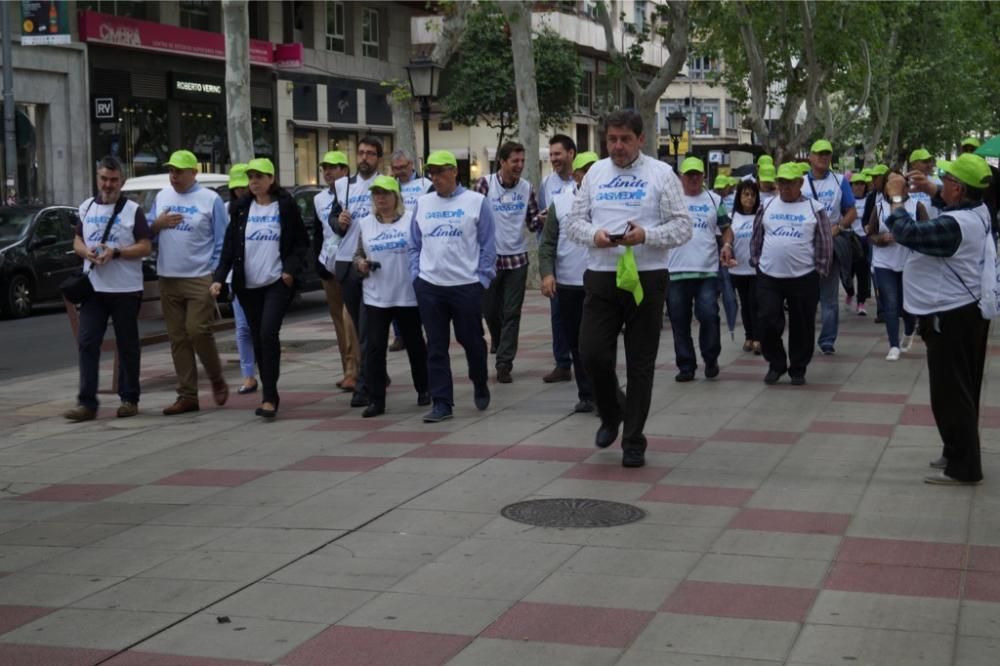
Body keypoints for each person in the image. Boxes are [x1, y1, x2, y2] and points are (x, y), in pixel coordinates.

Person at [566, 109, 692, 468]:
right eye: (612, 140)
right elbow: (574, 222)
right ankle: (612, 411)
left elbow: (683, 227)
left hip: (647, 277)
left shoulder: (661, 174)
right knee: (591, 353)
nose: (617, 147)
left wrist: (646, 235)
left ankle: (633, 439)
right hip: (602, 274)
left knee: (641, 364)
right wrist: (596, 236)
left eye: (625, 139)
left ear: (640, 140)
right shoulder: (595, 175)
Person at [885, 154, 993, 485]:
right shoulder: (980, 211)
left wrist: (897, 197)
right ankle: (956, 449)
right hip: (965, 312)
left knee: (951, 392)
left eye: (946, 182)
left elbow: (907, 232)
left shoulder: (955, 226)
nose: (940, 185)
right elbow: (948, 210)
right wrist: (933, 189)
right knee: (961, 388)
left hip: (951, 315)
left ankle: (964, 468)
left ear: (958, 189)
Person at [211, 158, 309, 418]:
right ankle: (268, 390)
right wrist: (219, 277)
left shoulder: (285, 206)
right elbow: (230, 247)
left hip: (276, 282)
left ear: (271, 179)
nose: (253, 182)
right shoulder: (241, 208)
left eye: (259, 176)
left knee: (268, 334)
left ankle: (270, 396)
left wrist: (289, 271)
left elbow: (301, 244)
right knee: (257, 337)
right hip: (247, 285)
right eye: (250, 177)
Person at [63, 155, 153, 422]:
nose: (108, 184)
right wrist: (87, 253)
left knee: (127, 345)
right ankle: (87, 403)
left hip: (125, 289)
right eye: (104, 178)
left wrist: (116, 252)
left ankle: (129, 398)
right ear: (97, 179)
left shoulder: (132, 211)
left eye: (113, 180)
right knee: (88, 342)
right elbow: (78, 239)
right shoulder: (87, 207)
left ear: (122, 181)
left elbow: (145, 246)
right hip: (94, 288)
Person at [409, 150, 495, 422]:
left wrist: (482, 279)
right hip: (430, 286)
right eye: (431, 172)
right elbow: (414, 244)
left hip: (466, 285)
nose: (435, 177)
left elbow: (488, 244)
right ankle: (442, 402)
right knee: (435, 345)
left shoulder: (476, 202)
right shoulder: (422, 204)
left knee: (471, 340)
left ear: (454, 172)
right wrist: (416, 276)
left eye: (440, 171)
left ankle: (479, 381)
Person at [150, 150, 229, 415]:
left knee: (197, 330)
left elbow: (222, 240)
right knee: (178, 338)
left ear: (194, 173)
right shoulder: (161, 196)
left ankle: (216, 377)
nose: (174, 176)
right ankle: (187, 395)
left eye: (180, 171)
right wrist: (157, 224)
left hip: (199, 277)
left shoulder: (210, 200)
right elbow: (147, 231)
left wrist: (217, 276)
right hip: (168, 276)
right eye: (171, 170)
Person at [750, 162, 833, 386]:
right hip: (769, 275)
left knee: (803, 325)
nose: (785, 187)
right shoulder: (767, 205)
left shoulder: (814, 208)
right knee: (767, 320)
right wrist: (756, 262)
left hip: (804, 276)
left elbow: (825, 241)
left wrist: (820, 270)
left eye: (790, 183)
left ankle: (798, 367)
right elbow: (757, 236)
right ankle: (776, 363)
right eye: (782, 182)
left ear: (800, 183)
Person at [353, 175, 430, 417]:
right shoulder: (365, 224)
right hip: (376, 296)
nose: (380, 198)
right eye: (376, 194)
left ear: (396, 196)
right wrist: (361, 264)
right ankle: (377, 400)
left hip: (406, 294)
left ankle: (424, 388)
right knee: (375, 348)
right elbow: (357, 255)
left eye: (385, 193)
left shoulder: (410, 220)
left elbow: (423, 250)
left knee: (415, 344)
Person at [476, 141, 542, 383]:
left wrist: (544, 218)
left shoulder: (526, 188)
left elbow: (532, 222)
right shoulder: (485, 184)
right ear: (502, 162)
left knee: (512, 312)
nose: (520, 165)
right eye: (515, 161)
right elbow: (474, 217)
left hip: (517, 259)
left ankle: (504, 362)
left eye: (522, 161)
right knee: (490, 310)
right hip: (490, 259)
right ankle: (498, 337)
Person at [538, 150, 598, 413]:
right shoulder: (560, 202)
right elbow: (547, 242)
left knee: (598, 343)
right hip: (568, 284)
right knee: (575, 341)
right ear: (576, 175)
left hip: (600, 282)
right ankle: (587, 394)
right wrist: (547, 274)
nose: (593, 177)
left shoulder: (607, 202)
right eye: (588, 172)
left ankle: (602, 391)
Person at [667, 156, 732, 382]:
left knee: (709, 315)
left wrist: (726, 244)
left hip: (707, 270)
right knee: (679, 320)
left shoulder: (714, 200)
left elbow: (726, 228)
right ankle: (686, 365)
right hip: (675, 271)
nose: (693, 178)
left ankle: (711, 357)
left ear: (704, 176)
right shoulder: (669, 202)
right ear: (680, 177)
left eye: (697, 174)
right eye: (689, 174)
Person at [333, 137, 383, 407]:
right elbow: (332, 221)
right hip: (347, 263)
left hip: (374, 263)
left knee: (369, 328)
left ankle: (365, 384)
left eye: (371, 154)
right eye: (361, 153)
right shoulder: (343, 185)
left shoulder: (386, 184)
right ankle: (373, 377)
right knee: (358, 326)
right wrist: (338, 222)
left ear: (379, 159)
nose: (364, 157)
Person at [313, 150, 361, 392]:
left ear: (345, 170)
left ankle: (357, 370)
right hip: (328, 265)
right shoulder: (319, 199)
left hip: (351, 263)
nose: (328, 172)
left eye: (333, 167)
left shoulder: (353, 191)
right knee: (339, 323)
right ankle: (348, 370)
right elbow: (318, 232)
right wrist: (318, 265)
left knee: (350, 318)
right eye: (325, 168)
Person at [803, 139, 856, 355]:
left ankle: (827, 340)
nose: (823, 157)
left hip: (829, 246)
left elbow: (852, 211)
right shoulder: (800, 182)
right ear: (810, 157)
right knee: (805, 297)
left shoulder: (840, 180)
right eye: (819, 153)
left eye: (827, 154)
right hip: (804, 247)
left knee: (829, 297)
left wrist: (840, 226)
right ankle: (805, 337)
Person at [868, 172, 927, 361]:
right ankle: (893, 345)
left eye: (897, 181)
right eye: (889, 182)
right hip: (884, 263)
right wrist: (882, 239)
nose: (893, 185)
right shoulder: (879, 207)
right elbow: (871, 234)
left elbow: (925, 233)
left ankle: (909, 331)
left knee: (907, 307)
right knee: (891, 304)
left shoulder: (916, 206)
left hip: (910, 264)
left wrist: (908, 236)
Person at [537, 134, 577, 384]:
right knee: (558, 315)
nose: (554, 160)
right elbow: (543, 225)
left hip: (583, 260)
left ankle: (588, 361)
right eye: (551, 155)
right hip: (558, 261)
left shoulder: (587, 180)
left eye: (558, 154)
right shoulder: (547, 184)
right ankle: (562, 363)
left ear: (571, 153)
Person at [389, 149, 433, 352]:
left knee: (419, 289)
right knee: (396, 289)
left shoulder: (426, 185)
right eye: (395, 168)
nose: (399, 172)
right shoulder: (389, 186)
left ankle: (420, 329)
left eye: (403, 167)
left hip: (421, 245)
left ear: (411, 165)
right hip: (395, 245)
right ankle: (399, 334)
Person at [225, 163, 259, 395]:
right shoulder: (227, 209)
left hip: (260, 276)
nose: (240, 192)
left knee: (262, 328)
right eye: (236, 188)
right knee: (243, 328)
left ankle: (266, 369)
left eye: (243, 186)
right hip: (234, 277)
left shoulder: (262, 207)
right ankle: (249, 375)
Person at [728, 179, 761, 354]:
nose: (749, 198)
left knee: (754, 302)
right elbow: (727, 239)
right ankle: (749, 336)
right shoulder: (733, 216)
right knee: (745, 303)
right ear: (739, 197)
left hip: (756, 268)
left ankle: (757, 338)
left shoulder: (760, 215)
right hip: (738, 268)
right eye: (745, 194)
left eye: (753, 195)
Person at [846, 172, 872, 317]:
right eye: (856, 184)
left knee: (863, 273)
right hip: (850, 241)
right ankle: (850, 292)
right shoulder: (847, 202)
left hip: (864, 241)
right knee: (848, 273)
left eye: (862, 183)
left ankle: (861, 303)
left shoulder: (869, 200)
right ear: (851, 186)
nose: (859, 186)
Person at [907, 149, 941, 219]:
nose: (929, 165)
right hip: (911, 227)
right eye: (925, 162)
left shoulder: (938, 183)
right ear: (913, 165)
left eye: (930, 161)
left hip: (933, 227)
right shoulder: (905, 183)